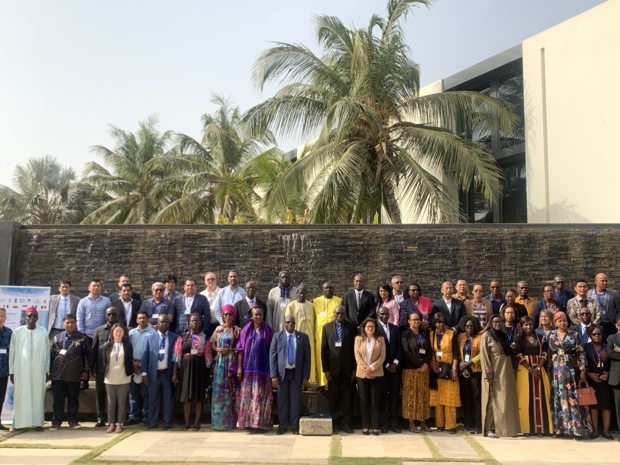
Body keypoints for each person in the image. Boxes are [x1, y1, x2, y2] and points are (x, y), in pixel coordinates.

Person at [547, 311, 592, 438]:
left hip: (571, 372)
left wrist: (583, 371)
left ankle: (575, 429)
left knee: (572, 398)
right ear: (555, 322)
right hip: (556, 373)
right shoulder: (551, 335)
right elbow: (549, 355)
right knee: (558, 398)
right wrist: (549, 371)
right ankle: (560, 429)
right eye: (560, 321)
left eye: (564, 320)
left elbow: (581, 353)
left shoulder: (574, 334)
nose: (563, 323)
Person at [9, 307, 49, 431]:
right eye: (29, 316)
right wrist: (12, 371)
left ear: (37, 318)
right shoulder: (17, 332)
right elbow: (12, 352)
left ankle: (37, 423)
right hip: (21, 370)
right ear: (25, 317)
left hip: (39, 370)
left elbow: (47, 352)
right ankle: (18, 423)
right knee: (21, 395)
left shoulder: (43, 332)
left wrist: (47, 370)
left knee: (37, 395)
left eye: (34, 316)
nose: (32, 318)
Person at [270, 315, 311, 435]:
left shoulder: (303, 337)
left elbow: (307, 358)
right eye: (288, 322)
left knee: (295, 400)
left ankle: (294, 425)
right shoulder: (277, 336)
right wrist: (274, 375)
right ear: (284, 324)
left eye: (293, 322)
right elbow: (272, 357)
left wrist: (306, 376)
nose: (290, 324)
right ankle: (282, 425)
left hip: (296, 373)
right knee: (282, 400)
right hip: (282, 374)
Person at [49, 314, 91, 431]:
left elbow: (88, 355)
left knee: (73, 399)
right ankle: (56, 421)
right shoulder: (57, 337)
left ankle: (73, 420)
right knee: (58, 400)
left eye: (72, 322)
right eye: (67, 322)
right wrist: (50, 371)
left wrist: (86, 370)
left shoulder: (82, 338)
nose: (70, 324)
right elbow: (52, 355)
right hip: (58, 374)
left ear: (76, 323)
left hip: (74, 374)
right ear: (63, 324)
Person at [480, 315, 519, 438]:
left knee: (504, 400)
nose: (498, 323)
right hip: (494, 373)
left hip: (505, 373)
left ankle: (503, 429)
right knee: (492, 400)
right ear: (490, 323)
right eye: (495, 321)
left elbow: (506, 353)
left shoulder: (502, 336)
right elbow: (485, 357)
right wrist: (488, 374)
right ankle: (489, 428)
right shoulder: (486, 336)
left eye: (500, 321)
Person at [235, 306, 274, 431]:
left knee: (261, 395)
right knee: (248, 396)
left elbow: (272, 350)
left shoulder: (267, 330)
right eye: (256, 315)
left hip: (263, 369)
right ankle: (247, 423)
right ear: (251, 316)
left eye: (260, 314)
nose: (258, 317)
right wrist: (240, 367)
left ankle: (261, 423)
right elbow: (240, 349)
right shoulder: (246, 330)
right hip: (248, 369)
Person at [172, 313, 212, 431]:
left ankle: (197, 422)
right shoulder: (182, 338)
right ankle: (186, 422)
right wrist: (175, 373)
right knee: (186, 398)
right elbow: (176, 356)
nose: (194, 323)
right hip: (185, 369)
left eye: (197, 321)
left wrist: (209, 374)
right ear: (189, 323)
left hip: (200, 369)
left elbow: (208, 357)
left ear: (200, 323)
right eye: (192, 321)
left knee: (198, 398)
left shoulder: (205, 338)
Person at [321, 305, 356, 434]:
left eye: (342, 314)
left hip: (348, 369)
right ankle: (335, 423)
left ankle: (347, 424)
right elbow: (323, 350)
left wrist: (354, 369)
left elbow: (355, 350)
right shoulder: (327, 328)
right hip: (333, 369)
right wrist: (326, 370)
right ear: (334, 314)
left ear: (345, 314)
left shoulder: (352, 328)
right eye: (337, 314)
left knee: (348, 399)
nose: (340, 316)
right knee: (334, 398)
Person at [515, 316, 552, 436]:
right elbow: (518, 355)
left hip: (539, 369)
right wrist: (531, 369)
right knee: (525, 399)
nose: (528, 327)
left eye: (530, 324)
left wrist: (538, 368)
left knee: (541, 398)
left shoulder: (540, 338)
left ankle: (540, 429)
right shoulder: (518, 338)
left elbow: (545, 353)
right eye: (525, 325)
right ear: (521, 326)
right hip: (525, 370)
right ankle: (527, 429)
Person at [141, 315, 179, 430]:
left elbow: (176, 357)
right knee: (153, 399)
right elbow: (145, 356)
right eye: (162, 322)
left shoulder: (174, 338)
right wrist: (144, 373)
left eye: (167, 322)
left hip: (167, 374)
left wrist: (175, 373)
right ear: (157, 323)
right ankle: (153, 422)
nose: (164, 324)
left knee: (168, 400)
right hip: (153, 375)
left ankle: (167, 423)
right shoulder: (150, 337)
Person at [210, 304, 241, 431]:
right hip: (220, 364)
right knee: (219, 393)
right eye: (225, 314)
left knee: (230, 392)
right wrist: (217, 349)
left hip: (231, 363)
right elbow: (211, 344)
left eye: (230, 314)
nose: (227, 316)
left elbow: (240, 348)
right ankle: (218, 423)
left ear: (234, 317)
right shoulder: (218, 329)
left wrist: (230, 350)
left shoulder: (237, 330)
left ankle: (229, 422)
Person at [429, 312, 460, 434]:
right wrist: (432, 363)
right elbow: (429, 351)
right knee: (438, 399)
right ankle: (440, 424)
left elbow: (456, 353)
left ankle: (451, 425)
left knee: (450, 399)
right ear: (434, 322)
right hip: (436, 369)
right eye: (438, 321)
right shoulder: (431, 334)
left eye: (442, 322)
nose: (440, 324)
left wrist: (454, 369)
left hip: (449, 369)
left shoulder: (451, 334)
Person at [400, 312, 432, 433]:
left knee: (423, 396)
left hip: (424, 370)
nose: (416, 322)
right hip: (410, 370)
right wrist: (419, 364)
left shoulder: (424, 333)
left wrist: (425, 364)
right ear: (408, 321)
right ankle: (411, 423)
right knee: (411, 397)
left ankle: (423, 422)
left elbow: (429, 351)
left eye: (418, 319)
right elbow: (406, 352)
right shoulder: (405, 334)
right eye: (413, 320)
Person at [354, 317, 386, 435]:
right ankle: (365, 426)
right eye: (368, 326)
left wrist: (371, 368)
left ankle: (375, 426)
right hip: (362, 374)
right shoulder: (358, 339)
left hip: (376, 373)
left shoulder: (380, 339)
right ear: (364, 328)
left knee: (374, 400)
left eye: (372, 326)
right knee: (364, 400)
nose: (370, 328)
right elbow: (357, 355)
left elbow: (382, 357)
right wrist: (365, 369)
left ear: (375, 328)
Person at [91, 307, 119, 427]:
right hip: (102, 367)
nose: (111, 316)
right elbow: (94, 350)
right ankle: (100, 418)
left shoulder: (121, 330)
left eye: (114, 314)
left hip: (117, 368)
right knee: (100, 393)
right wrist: (92, 366)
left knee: (115, 394)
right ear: (105, 316)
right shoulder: (99, 330)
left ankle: (113, 418)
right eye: (109, 314)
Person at [584, 325, 614, 439]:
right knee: (594, 406)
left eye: (599, 334)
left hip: (605, 380)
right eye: (594, 334)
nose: (597, 336)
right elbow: (582, 362)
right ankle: (595, 430)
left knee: (606, 405)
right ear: (590, 336)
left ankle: (606, 431)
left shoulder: (607, 347)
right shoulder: (586, 347)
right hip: (592, 379)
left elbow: (613, 363)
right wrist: (589, 374)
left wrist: (609, 373)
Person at [126, 310, 155, 426]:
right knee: (133, 393)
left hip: (146, 367)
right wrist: (133, 362)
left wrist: (143, 363)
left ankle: (146, 416)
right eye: (140, 318)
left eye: (144, 318)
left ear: (147, 319)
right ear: (137, 320)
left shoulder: (153, 333)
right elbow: (128, 349)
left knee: (146, 393)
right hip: (133, 366)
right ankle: (134, 416)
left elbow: (153, 351)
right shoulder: (131, 333)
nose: (142, 320)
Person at [103, 324, 133, 433]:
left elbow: (129, 360)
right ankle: (111, 424)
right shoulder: (107, 346)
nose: (118, 333)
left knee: (121, 402)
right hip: (110, 378)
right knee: (111, 403)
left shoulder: (127, 345)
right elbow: (104, 361)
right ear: (112, 333)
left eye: (120, 331)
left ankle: (119, 424)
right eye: (116, 331)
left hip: (123, 377)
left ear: (124, 333)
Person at [376, 306, 402, 433]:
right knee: (383, 397)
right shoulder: (375, 329)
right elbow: (377, 350)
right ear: (378, 314)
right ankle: (384, 423)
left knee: (394, 396)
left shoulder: (395, 328)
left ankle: (394, 423)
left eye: (386, 314)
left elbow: (399, 348)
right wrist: (387, 364)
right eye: (382, 314)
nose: (384, 316)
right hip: (382, 368)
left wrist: (395, 363)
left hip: (395, 368)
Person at [284, 285, 316, 384]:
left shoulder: (311, 305)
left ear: (306, 294)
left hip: (309, 335)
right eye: (300, 293)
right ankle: (298, 380)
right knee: (297, 356)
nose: (302, 295)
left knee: (309, 356)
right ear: (297, 294)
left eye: (304, 293)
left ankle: (309, 381)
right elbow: (287, 321)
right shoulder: (291, 305)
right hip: (296, 335)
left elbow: (315, 320)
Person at [312, 282, 341, 389]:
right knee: (321, 357)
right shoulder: (315, 301)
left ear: (333, 289)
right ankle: (321, 383)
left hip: (334, 334)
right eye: (326, 288)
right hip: (319, 335)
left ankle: (333, 381)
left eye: (330, 287)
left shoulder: (339, 301)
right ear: (322, 290)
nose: (328, 289)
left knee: (333, 356)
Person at [457, 316, 482, 434]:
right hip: (463, 372)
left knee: (476, 398)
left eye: (471, 326)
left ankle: (478, 424)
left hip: (475, 372)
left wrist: (469, 363)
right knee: (466, 398)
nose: (469, 328)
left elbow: (482, 355)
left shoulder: (479, 338)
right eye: (467, 326)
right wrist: (461, 363)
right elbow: (456, 351)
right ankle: (467, 423)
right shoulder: (461, 337)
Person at [605, 317, 620, 440]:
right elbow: (609, 353)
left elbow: (615, 352)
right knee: (618, 406)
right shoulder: (611, 338)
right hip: (617, 378)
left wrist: (619, 350)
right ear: (617, 325)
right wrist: (615, 351)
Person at [0, 308, 12, 431]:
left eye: (3, 316)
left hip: (3, 371)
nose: (0, 318)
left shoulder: (9, 332)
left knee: (1, 398)